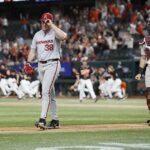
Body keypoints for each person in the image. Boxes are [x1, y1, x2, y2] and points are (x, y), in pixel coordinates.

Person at [25, 12, 67, 129]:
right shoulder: (37, 35)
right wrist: (28, 62)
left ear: (50, 21)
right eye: (42, 21)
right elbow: (33, 51)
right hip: (41, 65)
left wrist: (52, 25)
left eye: (46, 21)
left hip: (52, 63)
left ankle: (42, 119)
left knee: (45, 91)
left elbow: (64, 36)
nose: (43, 23)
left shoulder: (55, 32)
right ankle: (55, 120)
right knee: (50, 93)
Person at [135, 36, 150, 126]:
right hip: (149, 68)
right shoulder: (145, 40)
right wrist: (140, 72)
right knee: (148, 94)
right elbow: (143, 57)